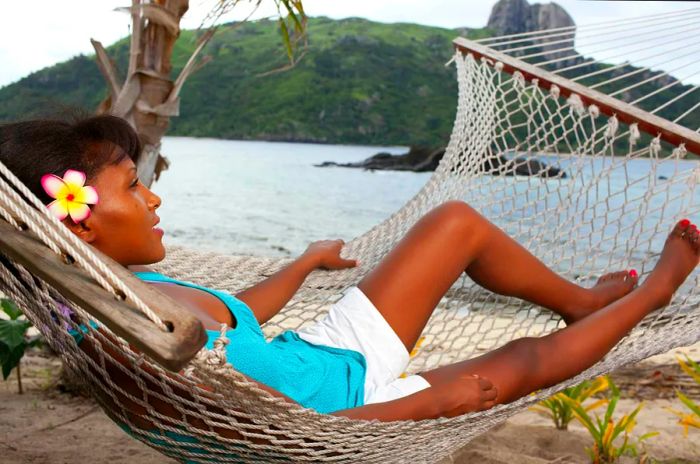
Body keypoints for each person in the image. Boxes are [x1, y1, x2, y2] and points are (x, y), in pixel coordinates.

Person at [0, 114, 698, 424]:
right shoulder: (116, 335)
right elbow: (237, 425)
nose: (153, 197)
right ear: (76, 214)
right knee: (514, 363)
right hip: (341, 412)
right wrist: (420, 406)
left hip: (327, 355)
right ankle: (657, 290)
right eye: (131, 184)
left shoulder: (134, 296)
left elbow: (235, 320)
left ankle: (578, 300)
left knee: (454, 220)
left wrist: (304, 263)